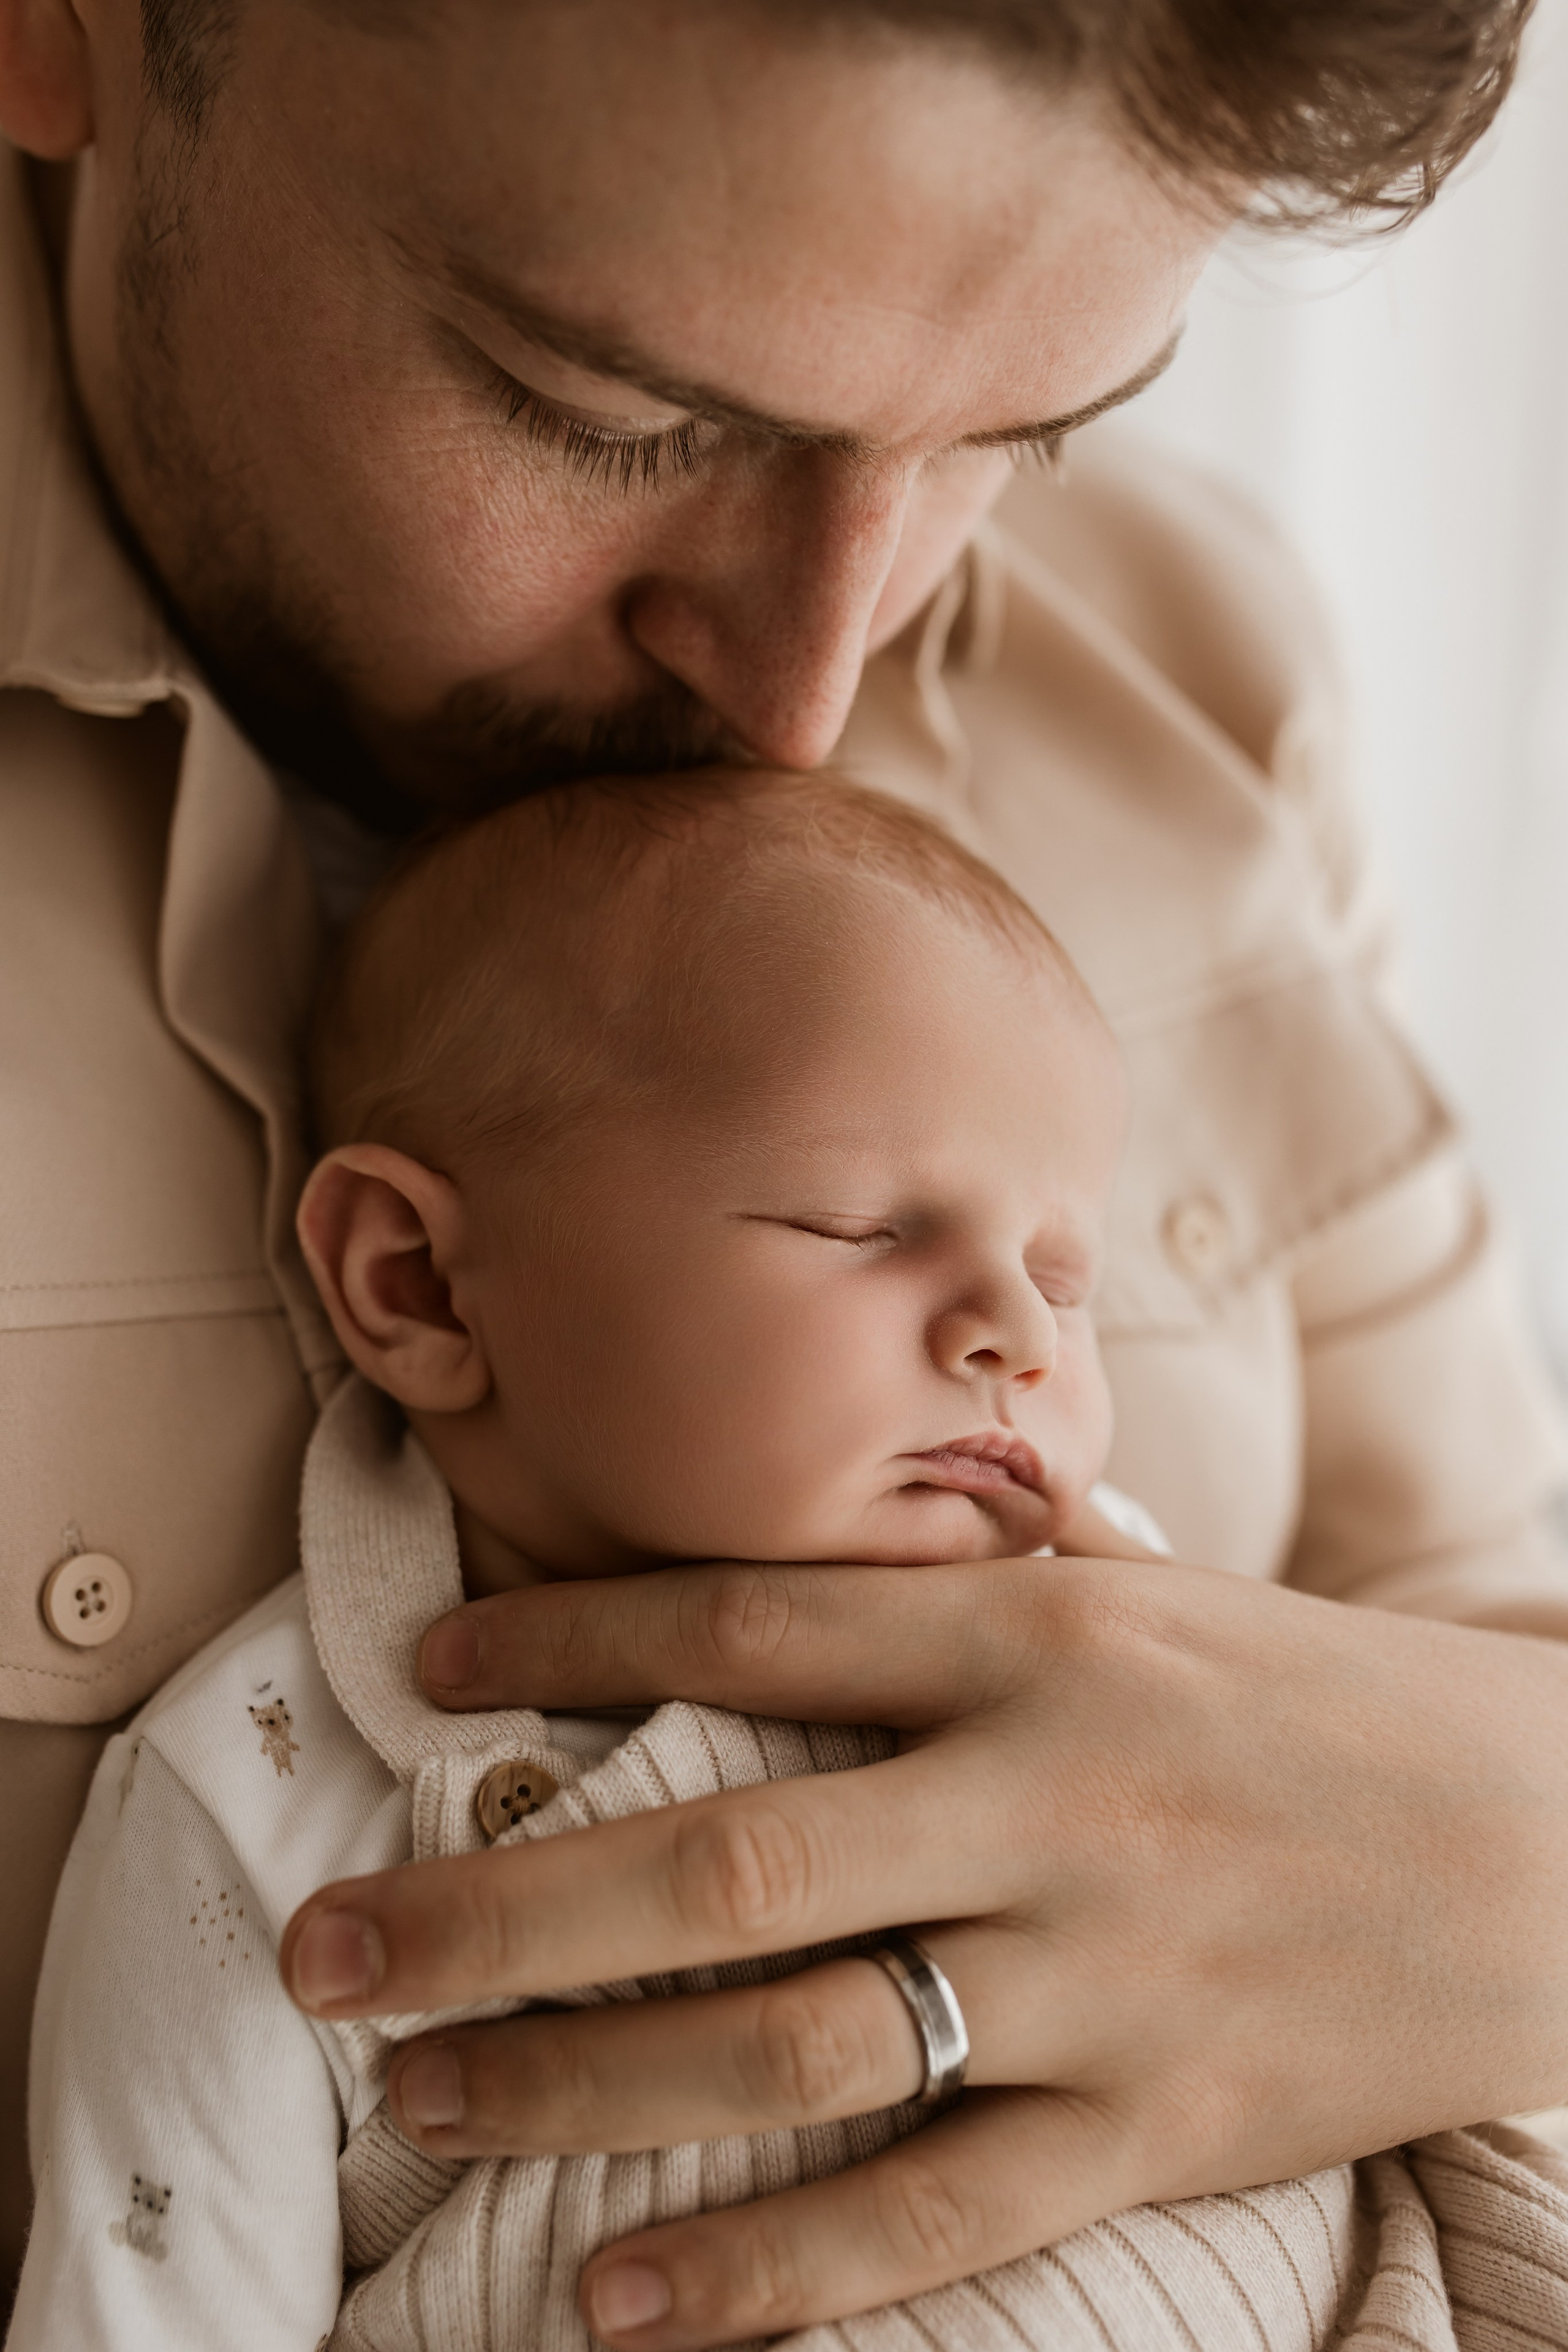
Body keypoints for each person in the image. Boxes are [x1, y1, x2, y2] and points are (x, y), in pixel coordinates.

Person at [4, 0, 1568, 2337]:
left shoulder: (1195, 679)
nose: (814, 692)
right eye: (610, 413)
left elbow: (1495, 1624)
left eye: (1030, 431)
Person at [13, 767, 1165, 2348]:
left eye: (1064, 1271)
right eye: (858, 1225)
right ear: (418, 1283)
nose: (1021, 1334)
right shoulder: (264, 1805)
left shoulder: (1140, 1635)